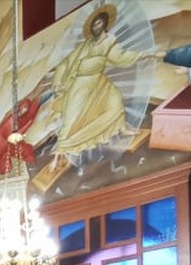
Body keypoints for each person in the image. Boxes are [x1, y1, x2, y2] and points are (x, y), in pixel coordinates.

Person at [50, 6, 156, 168]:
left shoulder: (108, 42)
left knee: (115, 101)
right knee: (71, 117)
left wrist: (142, 55)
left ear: (105, 24)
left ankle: (121, 128)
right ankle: (58, 154)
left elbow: (120, 57)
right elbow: (66, 63)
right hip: (80, 84)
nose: (96, 26)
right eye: (94, 24)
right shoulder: (86, 44)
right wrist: (58, 81)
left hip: (98, 81)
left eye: (99, 23)